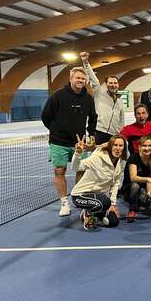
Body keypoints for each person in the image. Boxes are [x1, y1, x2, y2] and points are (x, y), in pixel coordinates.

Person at [41, 66, 97, 216]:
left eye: (83, 78)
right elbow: (45, 116)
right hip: (58, 142)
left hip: (79, 143)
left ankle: (78, 197)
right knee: (59, 171)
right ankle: (64, 202)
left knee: (81, 170)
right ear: (71, 78)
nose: (80, 80)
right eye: (78, 77)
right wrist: (56, 130)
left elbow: (93, 118)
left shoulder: (88, 99)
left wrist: (91, 134)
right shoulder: (57, 96)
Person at [70, 134, 127, 230]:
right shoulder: (97, 157)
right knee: (105, 202)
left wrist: (113, 204)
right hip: (80, 195)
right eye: (115, 145)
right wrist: (78, 153)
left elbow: (115, 183)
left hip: (98, 197)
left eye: (120, 146)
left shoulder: (121, 161)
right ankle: (87, 212)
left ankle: (96, 212)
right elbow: (76, 167)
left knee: (113, 222)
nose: (117, 148)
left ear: (124, 148)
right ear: (110, 146)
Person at [79, 52, 125, 145]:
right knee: (98, 154)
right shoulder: (99, 94)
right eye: (110, 83)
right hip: (99, 133)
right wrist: (85, 62)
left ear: (118, 85)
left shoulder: (119, 101)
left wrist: (120, 132)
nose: (113, 85)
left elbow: (121, 119)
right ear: (106, 84)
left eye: (115, 83)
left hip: (114, 135)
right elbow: (94, 80)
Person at [121, 136, 151, 222]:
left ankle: (139, 202)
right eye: (144, 146)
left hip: (143, 189)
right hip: (129, 189)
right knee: (135, 185)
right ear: (139, 147)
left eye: (150, 145)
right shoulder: (133, 158)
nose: (147, 148)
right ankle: (132, 209)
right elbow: (133, 178)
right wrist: (148, 179)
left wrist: (149, 193)